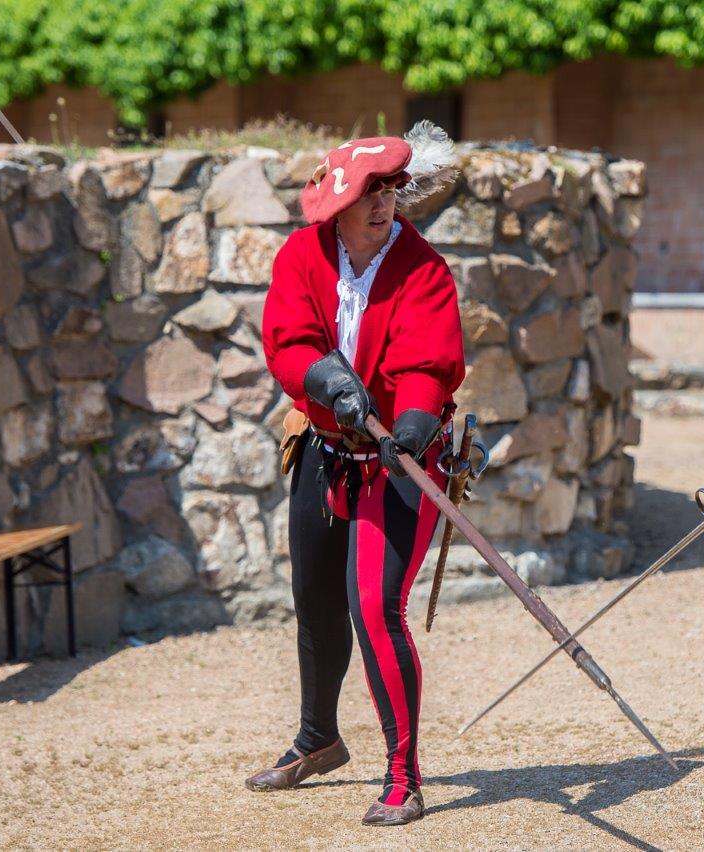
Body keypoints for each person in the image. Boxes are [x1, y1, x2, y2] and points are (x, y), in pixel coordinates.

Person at [253, 130, 465, 826]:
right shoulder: (300, 255)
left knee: (375, 606)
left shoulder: (423, 270)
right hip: (323, 445)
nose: (382, 205)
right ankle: (319, 740)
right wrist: (322, 377)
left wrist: (412, 423)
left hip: (402, 457)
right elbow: (288, 339)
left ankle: (403, 776)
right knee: (314, 597)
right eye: (367, 193)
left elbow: (428, 365)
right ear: (337, 205)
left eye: (388, 190)